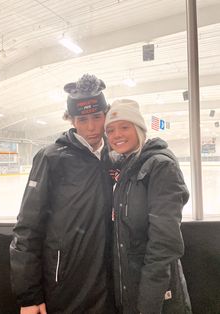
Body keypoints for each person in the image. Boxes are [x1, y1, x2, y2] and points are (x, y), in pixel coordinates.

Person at [10, 74, 116, 314]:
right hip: (66, 284)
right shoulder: (52, 158)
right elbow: (28, 227)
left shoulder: (116, 155)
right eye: (83, 119)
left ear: (106, 115)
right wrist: (29, 296)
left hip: (110, 283)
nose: (91, 127)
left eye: (97, 117)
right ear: (72, 120)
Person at [104, 99, 192, 314]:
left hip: (157, 294)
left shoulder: (160, 166)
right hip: (131, 288)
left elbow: (164, 242)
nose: (117, 134)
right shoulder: (128, 166)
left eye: (125, 127)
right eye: (111, 130)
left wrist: (149, 303)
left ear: (139, 129)